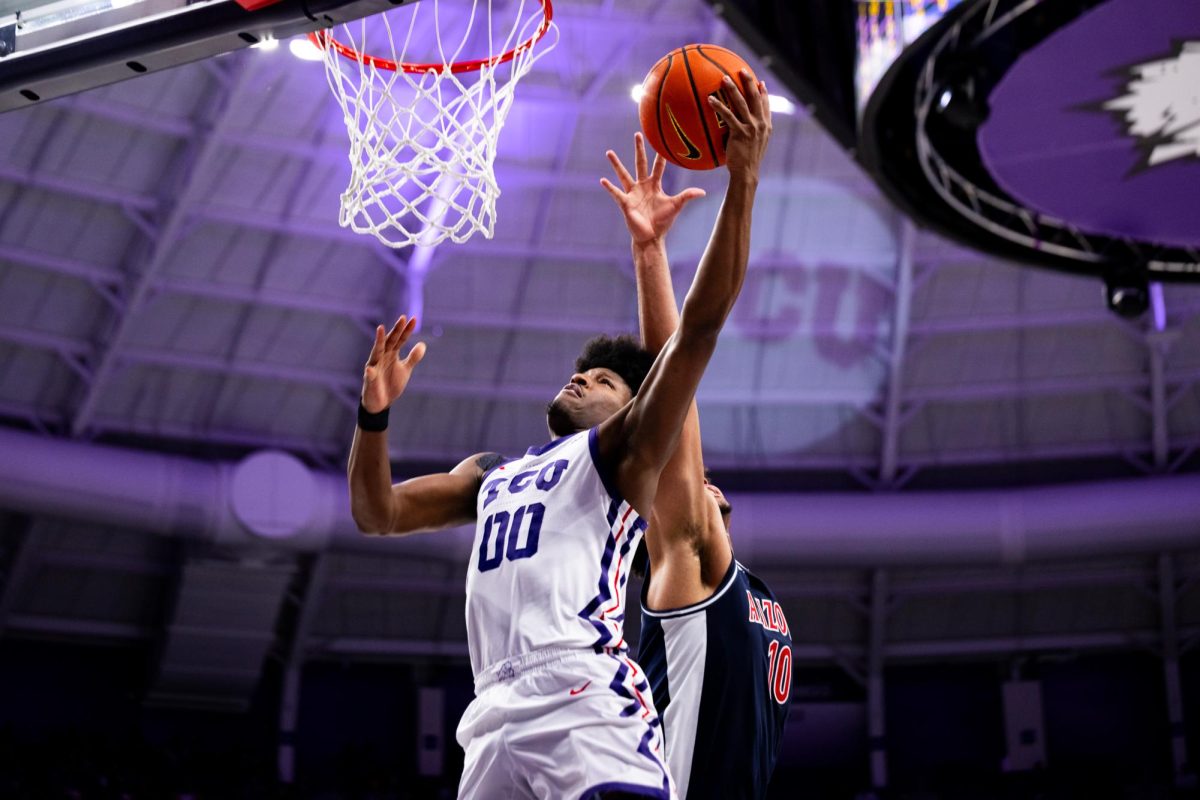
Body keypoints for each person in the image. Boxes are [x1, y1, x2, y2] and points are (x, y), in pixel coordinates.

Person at [347, 70, 771, 800]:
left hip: (582, 695)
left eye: (607, 382)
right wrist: (373, 416)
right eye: (583, 374)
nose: (584, 381)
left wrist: (742, 184)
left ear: (638, 413)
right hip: (491, 714)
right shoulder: (490, 475)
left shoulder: (622, 460)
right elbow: (375, 513)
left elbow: (696, 331)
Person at [601, 129, 791, 800]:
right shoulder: (684, 563)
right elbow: (674, 386)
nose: (696, 477)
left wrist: (651, 245)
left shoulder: (746, 587)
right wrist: (651, 253)